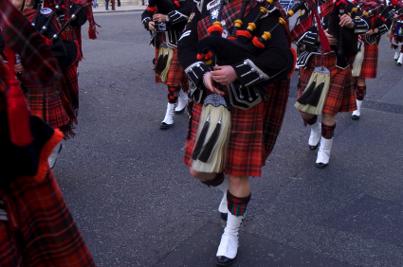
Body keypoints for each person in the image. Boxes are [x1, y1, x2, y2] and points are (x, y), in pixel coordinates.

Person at [178, 0, 294, 265]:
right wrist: (201, 73)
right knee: (200, 169)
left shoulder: (266, 9)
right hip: (209, 100)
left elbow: (281, 58)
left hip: (244, 102)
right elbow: (185, 43)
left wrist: (236, 72)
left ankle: (231, 232)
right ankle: (226, 194)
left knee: (238, 176)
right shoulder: (204, 4)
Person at [0, 1, 95, 265]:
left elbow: (67, 52)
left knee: (37, 136)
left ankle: (49, 148)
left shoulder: (42, 18)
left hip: (33, 87)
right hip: (13, 93)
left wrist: (31, 62)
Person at [292, 0, 368, 167]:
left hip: (337, 64)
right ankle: (315, 129)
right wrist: (318, 37)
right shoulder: (306, 6)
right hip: (311, 63)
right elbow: (293, 34)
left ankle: (325, 149)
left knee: (329, 112)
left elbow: (365, 25)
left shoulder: (345, 5)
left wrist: (352, 22)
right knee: (304, 110)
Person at [142, 0, 192, 129]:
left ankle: (169, 115)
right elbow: (147, 12)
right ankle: (184, 98)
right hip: (163, 44)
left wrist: (167, 17)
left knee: (172, 81)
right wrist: (148, 22)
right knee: (172, 78)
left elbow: (189, 11)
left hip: (180, 44)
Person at [351, 0, 392, 120]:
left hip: (369, 44)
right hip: (352, 43)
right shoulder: (354, 4)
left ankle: (357, 108)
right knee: (351, 77)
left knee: (361, 77)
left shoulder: (381, 6)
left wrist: (374, 31)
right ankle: (352, 102)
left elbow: (387, 25)